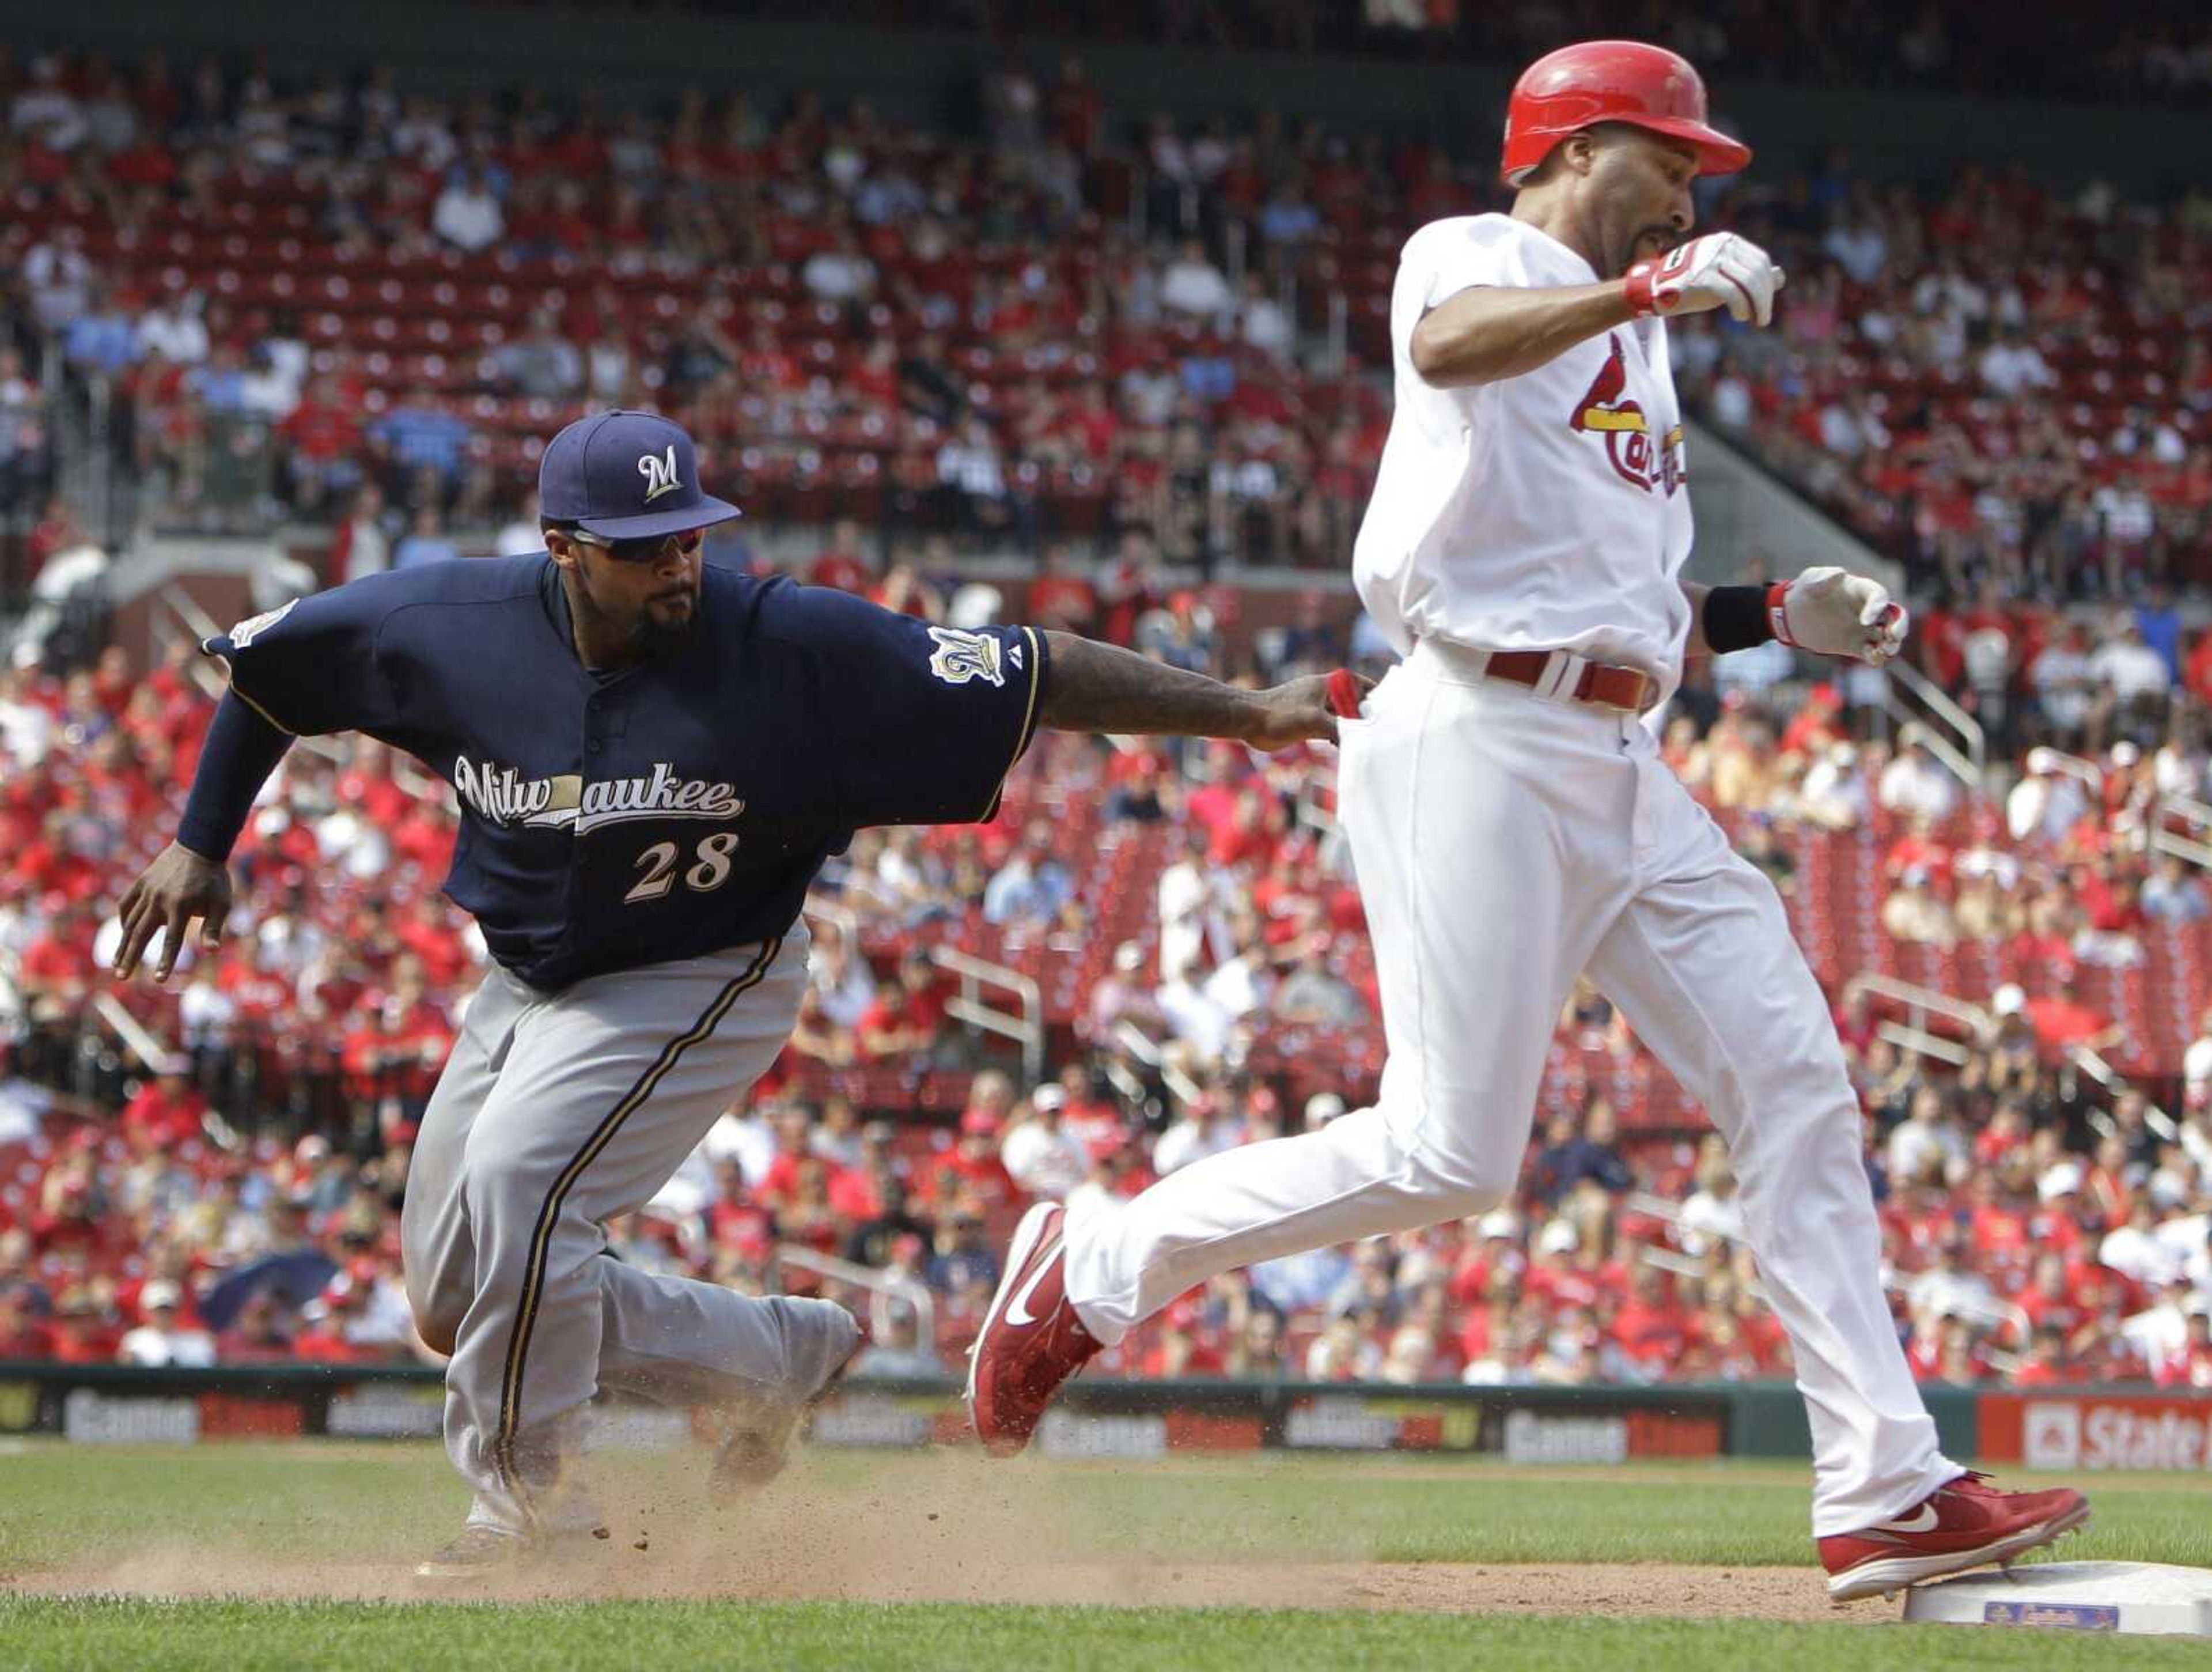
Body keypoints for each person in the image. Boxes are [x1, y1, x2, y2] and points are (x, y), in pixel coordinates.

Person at [965, 40, 2086, 1603]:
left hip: (1622, 747)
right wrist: (1650, 293)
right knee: (1449, 1151)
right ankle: (1095, 1263)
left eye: (1696, 177)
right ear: (1572, 146)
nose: (1688, 196)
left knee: (1796, 1080)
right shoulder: (1481, 250)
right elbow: (1453, 344)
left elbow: (1603, 594)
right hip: (1470, 729)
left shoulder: (1643, 341)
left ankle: (1887, 1483)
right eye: (1673, 161)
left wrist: (1771, 607)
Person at [111, 408, 1344, 1580]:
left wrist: (1246, 713)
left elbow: (1039, 672)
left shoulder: (795, 642)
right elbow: (272, 671)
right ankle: (778, 1355)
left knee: (518, 1194)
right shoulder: (442, 621)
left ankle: (533, 1509)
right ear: (565, 550)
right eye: (644, 550)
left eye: (690, 537)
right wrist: (201, 840)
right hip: (526, 978)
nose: (678, 567)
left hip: (705, 965)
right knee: (457, 1293)